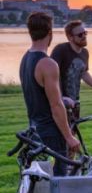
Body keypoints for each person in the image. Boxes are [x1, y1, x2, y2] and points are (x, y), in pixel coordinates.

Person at [19, 12, 80, 176]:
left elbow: (39, 94)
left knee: (41, 182)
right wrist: (69, 137)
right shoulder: (48, 63)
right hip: (51, 132)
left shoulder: (26, 58)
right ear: (50, 33)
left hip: (34, 128)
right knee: (57, 183)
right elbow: (55, 105)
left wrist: (61, 98)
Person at [51, 20, 92, 114]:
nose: (84, 36)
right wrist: (60, 97)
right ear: (70, 37)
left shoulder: (84, 53)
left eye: (85, 33)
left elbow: (84, 73)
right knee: (63, 129)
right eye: (80, 35)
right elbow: (51, 75)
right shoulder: (61, 50)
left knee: (74, 128)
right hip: (59, 102)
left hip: (74, 102)